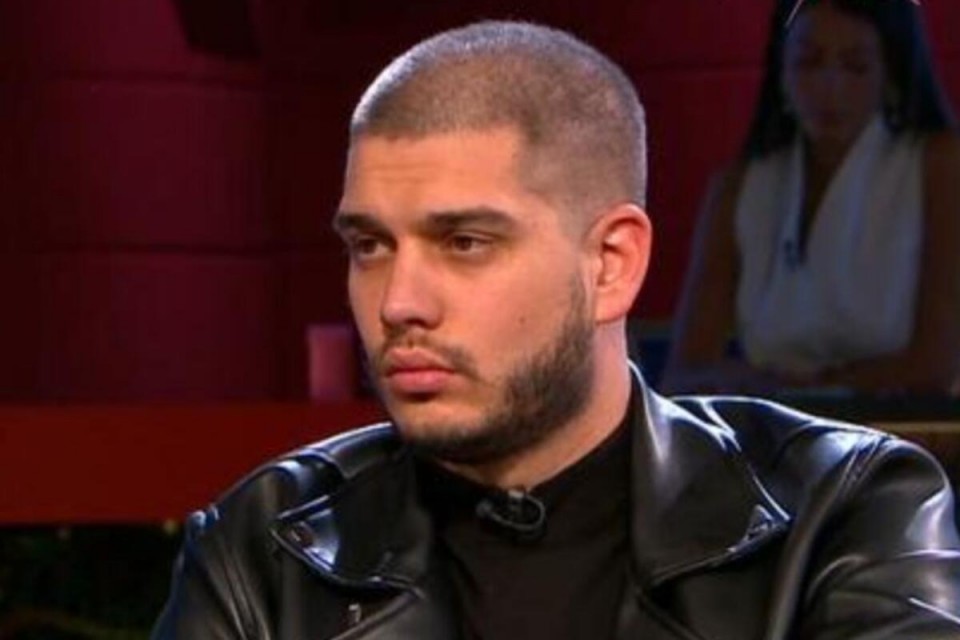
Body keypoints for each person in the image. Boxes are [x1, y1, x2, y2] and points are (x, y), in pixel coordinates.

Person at [151, 20, 960, 639]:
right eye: (370, 246)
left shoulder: (840, 512)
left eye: (464, 242)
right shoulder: (268, 545)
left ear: (611, 264)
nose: (398, 303)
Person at [663, 0, 960, 395]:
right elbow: (683, 374)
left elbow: (935, 365)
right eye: (808, 63)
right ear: (781, 71)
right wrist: (762, 386)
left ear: (891, 73)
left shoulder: (939, 166)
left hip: (908, 425)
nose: (830, 87)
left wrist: (818, 390)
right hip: (775, 421)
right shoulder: (740, 186)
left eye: (855, 66)